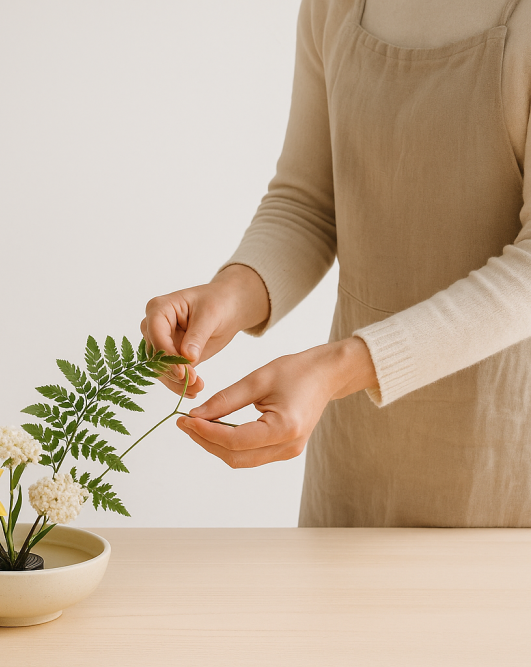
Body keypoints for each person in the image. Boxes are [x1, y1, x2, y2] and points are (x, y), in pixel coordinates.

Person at [140, 0, 531, 527]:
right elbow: (309, 202)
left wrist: (337, 368)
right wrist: (231, 294)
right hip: (355, 456)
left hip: (502, 464)